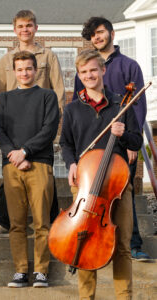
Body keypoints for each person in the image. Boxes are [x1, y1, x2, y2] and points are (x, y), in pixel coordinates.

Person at [60, 49, 143, 299]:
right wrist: (71, 164)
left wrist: (123, 134)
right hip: (85, 185)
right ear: (79, 75)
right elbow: (66, 143)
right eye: (84, 72)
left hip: (117, 187)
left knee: (123, 247)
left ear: (103, 70)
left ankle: (124, 296)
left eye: (94, 70)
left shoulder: (122, 103)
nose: (89, 75)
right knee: (83, 244)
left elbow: (137, 141)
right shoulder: (73, 109)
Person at [0, 9, 65, 238]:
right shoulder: (6, 59)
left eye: (29, 25)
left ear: (35, 28)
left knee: (46, 176)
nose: (25, 30)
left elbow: (58, 91)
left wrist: (52, 120)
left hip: (41, 123)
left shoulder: (48, 56)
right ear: (14, 29)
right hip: (12, 128)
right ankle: (5, 223)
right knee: (8, 173)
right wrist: (3, 121)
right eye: (20, 26)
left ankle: (53, 221)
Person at [72, 16, 150, 261]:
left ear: (112, 33)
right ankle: (95, 240)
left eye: (100, 32)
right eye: (92, 34)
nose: (97, 37)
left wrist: (131, 140)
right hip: (95, 144)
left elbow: (136, 105)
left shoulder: (129, 65)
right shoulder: (85, 66)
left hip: (123, 141)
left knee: (122, 193)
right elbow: (78, 104)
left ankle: (132, 244)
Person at [0, 51, 59, 288]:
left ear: (36, 70)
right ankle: (21, 271)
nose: (24, 73)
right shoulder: (4, 99)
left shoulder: (47, 96)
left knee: (42, 221)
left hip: (40, 163)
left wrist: (26, 152)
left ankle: (41, 271)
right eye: (20, 69)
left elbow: (49, 129)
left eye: (29, 68)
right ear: (14, 71)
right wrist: (15, 154)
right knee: (16, 223)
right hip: (12, 165)